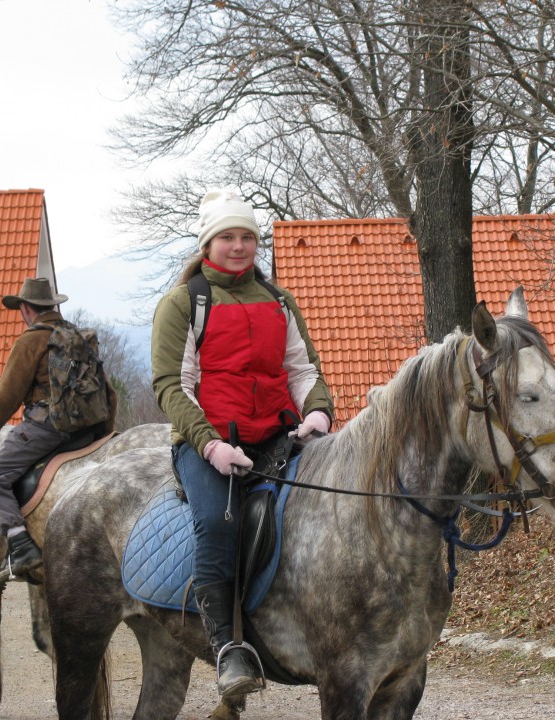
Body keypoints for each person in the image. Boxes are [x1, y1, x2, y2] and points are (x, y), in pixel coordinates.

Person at [151, 189, 334, 697]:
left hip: (278, 435)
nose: (239, 246)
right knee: (217, 521)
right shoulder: (184, 302)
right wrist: (210, 447)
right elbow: (172, 385)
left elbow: (302, 369)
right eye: (227, 237)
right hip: (208, 441)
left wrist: (317, 411)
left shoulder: (279, 301)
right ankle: (228, 647)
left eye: (247, 236)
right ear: (208, 243)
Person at [0, 277, 117, 583]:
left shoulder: (31, 340)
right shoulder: (77, 336)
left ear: (25, 308)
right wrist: (104, 433)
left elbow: (7, 398)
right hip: (87, 430)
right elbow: (108, 390)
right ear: (53, 306)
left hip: (48, 428)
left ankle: (21, 545)